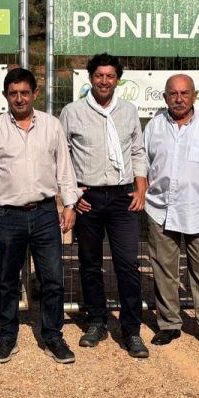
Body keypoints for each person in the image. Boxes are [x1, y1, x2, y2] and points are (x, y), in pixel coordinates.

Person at [0, 68, 81, 365]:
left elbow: (64, 168)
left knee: (53, 279)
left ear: (35, 94)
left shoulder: (51, 125)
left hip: (46, 213)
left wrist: (70, 204)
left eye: (24, 92)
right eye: (13, 93)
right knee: (7, 281)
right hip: (7, 216)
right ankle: (7, 337)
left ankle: (53, 336)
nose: (19, 98)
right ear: (6, 96)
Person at [59, 53, 150, 358]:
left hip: (123, 197)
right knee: (90, 264)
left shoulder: (128, 111)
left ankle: (132, 330)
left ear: (117, 79)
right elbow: (63, 157)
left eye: (110, 76)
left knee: (127, 264)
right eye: (99, 75)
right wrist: (72, 196)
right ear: (90, 78)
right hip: (89, 199)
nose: (104, 81)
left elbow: (137, 151)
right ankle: (96, 321)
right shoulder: (72, 112)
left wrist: (141, 187)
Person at [143, 74, 199, 352]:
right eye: (173, 93)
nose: (179, 98)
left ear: (194, 95)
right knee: (164, 271)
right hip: (161, 210)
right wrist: (146, 199)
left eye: (184, 93)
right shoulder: (154, 126)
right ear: (165, 97)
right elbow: (142, 167)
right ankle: (169, 323)